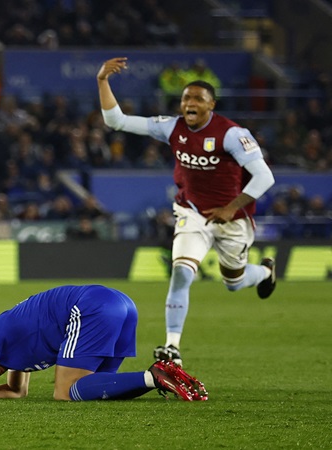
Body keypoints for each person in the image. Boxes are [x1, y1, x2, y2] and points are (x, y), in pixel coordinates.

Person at [96, 57, 276, 366]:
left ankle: (264, 273)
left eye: (197, 99)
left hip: (232, 218)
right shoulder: (171, 127)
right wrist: (102, 81)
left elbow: (265, 177)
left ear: (211, 105)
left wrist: (229, 208)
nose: (190, 103)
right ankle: (172, 346)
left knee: (233, 282)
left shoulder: (232, 134)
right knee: (181, 273)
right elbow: (118, 122)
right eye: (186, 98)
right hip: (191, 212)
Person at [0, 284, 208, 402]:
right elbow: (17, 392)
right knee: (95, 390)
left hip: (88, 308)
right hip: (120, 304)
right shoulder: (7, 352)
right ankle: (159, 378)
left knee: (64, 392)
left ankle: (155, 375)